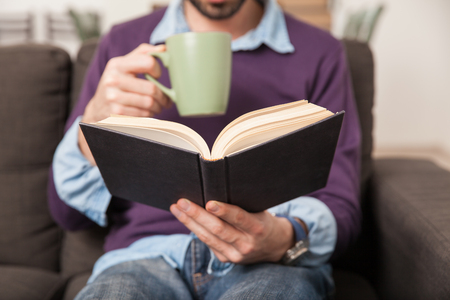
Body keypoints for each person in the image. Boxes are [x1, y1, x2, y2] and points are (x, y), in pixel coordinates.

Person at [49, 0, 361, 298]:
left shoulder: (321, 51)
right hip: (142, 256)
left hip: (270, 263)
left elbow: (341, 205)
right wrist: (93, 126)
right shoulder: (121, 43)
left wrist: (286, 237)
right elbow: (68, 217)